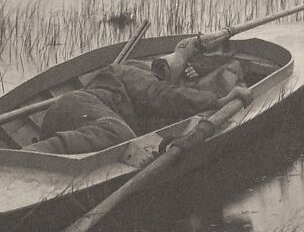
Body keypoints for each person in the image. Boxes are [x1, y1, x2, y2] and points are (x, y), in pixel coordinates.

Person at [26, 38, 251, 155]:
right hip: (76, 107)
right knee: (120, 134)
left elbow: (169, 105)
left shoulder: (149, 108)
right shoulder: (131, 71)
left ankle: (47, 154)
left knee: (126, 137)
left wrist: (192, 85)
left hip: (77, 125)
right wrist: (217, 101)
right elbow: (162, 94)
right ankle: (32, 155)